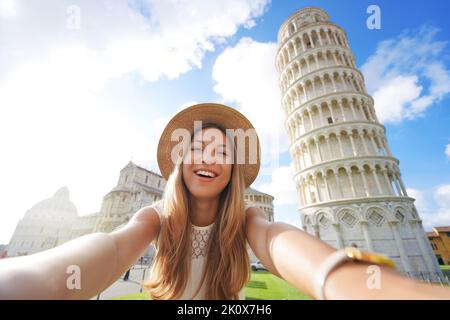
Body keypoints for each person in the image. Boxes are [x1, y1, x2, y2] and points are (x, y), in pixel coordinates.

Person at [0, 103, 449, 300]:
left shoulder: (248, 218)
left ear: (234, 171)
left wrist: (347, 282)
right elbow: (115, 247)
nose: (209, 158)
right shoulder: (154, 217)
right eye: (198, 148)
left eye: (222, 152)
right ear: (181, 162)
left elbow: (278, 242)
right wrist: (24, 280)